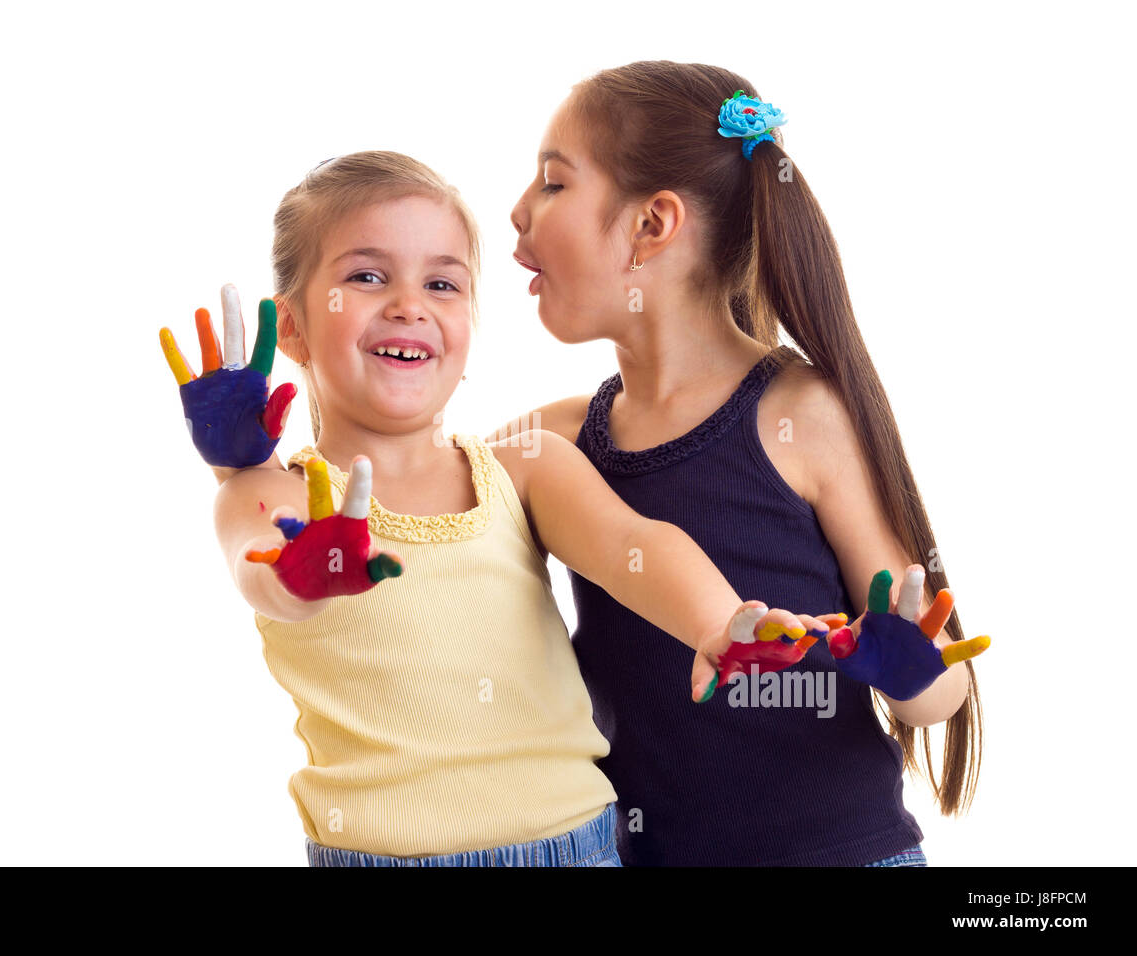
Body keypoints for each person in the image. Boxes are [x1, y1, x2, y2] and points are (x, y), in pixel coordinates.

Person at [160, 150, 833, 866]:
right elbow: (259, 568)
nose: (409, 304)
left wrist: (720, 623)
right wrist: (302, 564)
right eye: (366, 276)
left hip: (573, 848)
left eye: (442, 283)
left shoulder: (521, 464)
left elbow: (632, 545)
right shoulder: (272, 493)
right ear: (291, 328)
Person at [495, 61, 990, 866]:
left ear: (651, 225)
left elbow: (941, 692)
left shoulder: (802, 415)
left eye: (553, 184)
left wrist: (906, 668)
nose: (517, 210)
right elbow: (411, 511)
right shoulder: (549, 445)